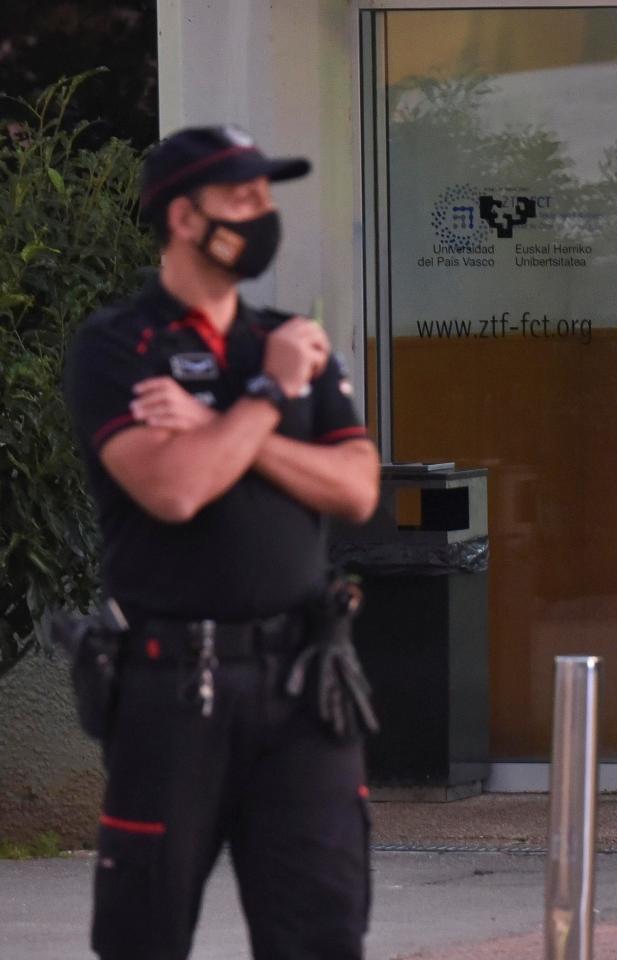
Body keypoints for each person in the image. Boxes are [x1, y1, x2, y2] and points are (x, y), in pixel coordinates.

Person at [61, 125, 382, 959]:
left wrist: (223, 426)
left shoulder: (289, 340)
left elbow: (357, 488)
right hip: (172, 687)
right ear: (183, 217)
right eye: (242, 197)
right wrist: (273, 395)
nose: (262, 213)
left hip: (305, 684)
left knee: (322, 933)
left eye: (266, 195)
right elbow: (174, 490)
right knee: (144, 935)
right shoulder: (119, 346)